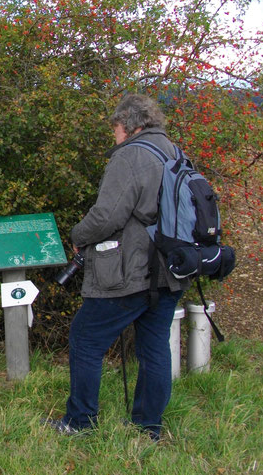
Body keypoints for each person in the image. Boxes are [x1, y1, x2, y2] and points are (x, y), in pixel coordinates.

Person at [47, 94, 189, 441]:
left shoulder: (131, 155)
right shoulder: (174, 152)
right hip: (171, 270)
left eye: (115, 128)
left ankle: (80, 423)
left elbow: (107, 217)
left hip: (131, 271)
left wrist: (78, 235)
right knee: (154, 346)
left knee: (85, 337)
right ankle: (148, 427)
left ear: (128, 124)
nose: (114, 136)